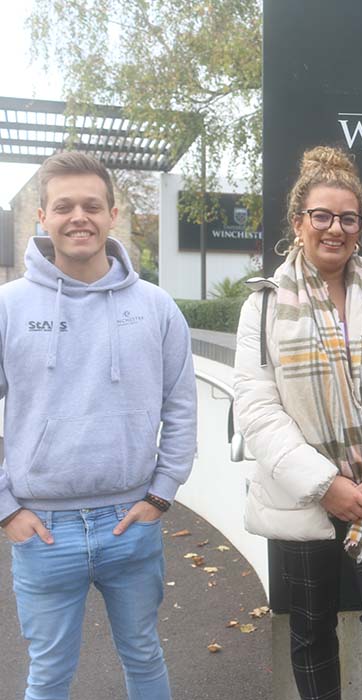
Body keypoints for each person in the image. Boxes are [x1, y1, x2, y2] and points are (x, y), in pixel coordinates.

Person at [232, 145, 362, 699]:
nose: (335, 228)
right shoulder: (264, 303)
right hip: (303, 493)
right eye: (321, 216)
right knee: (309, 628)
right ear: (298, 222)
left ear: (361, 225)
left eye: (347, 218)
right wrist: (324, 485)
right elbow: (257, 405)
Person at [0, 151, 197, 700]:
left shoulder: (156, 308)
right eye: (63, 206)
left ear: (113, 213)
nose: (78, 217)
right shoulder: (9, 307)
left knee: (143, 654)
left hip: (129, 523)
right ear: (42, 216)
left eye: (91, 204)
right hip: (41, 529)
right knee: (48, 674)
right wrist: (6, 509)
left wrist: (160, 496)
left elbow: (181, 406)